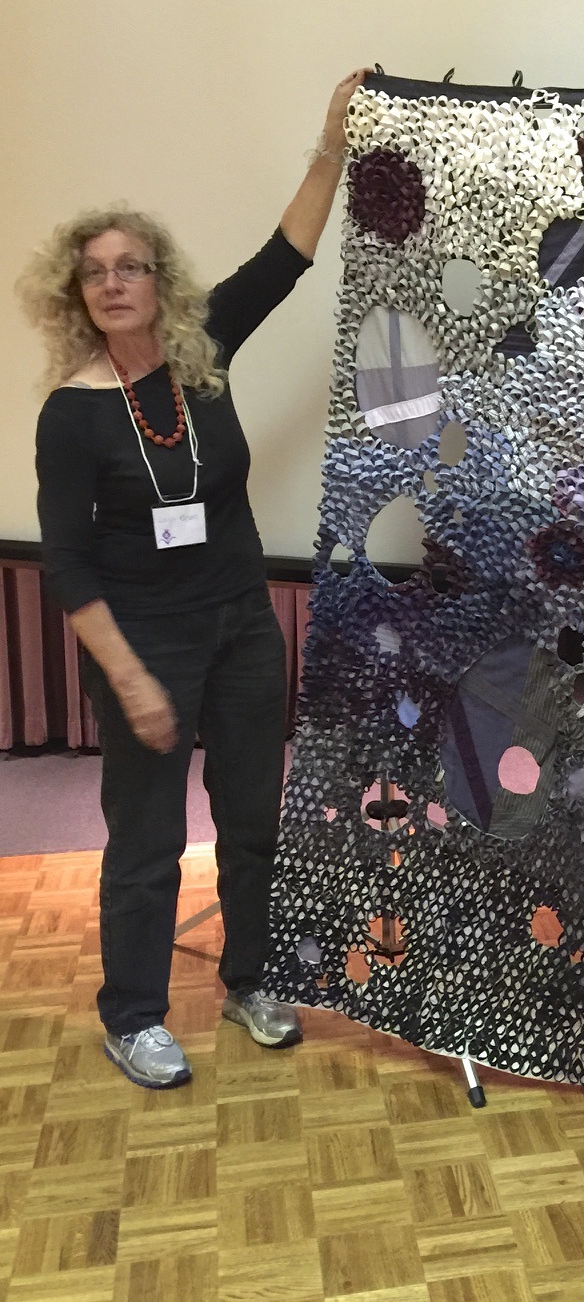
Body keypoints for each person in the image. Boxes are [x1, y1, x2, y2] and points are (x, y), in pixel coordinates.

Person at [18, 68, 368, 1090]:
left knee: (253, 818)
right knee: (148, 839)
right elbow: (67, 562)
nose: (114, 283)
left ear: (158, 279)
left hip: (242, 626)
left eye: (131, 266)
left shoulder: (201, 350)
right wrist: (128, 677)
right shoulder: (71, 414)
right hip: (143, 641)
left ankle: (251, 979)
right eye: (95, 273)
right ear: (75, 295)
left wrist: (332, 143)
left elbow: (287, 256)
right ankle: (131, 1014)